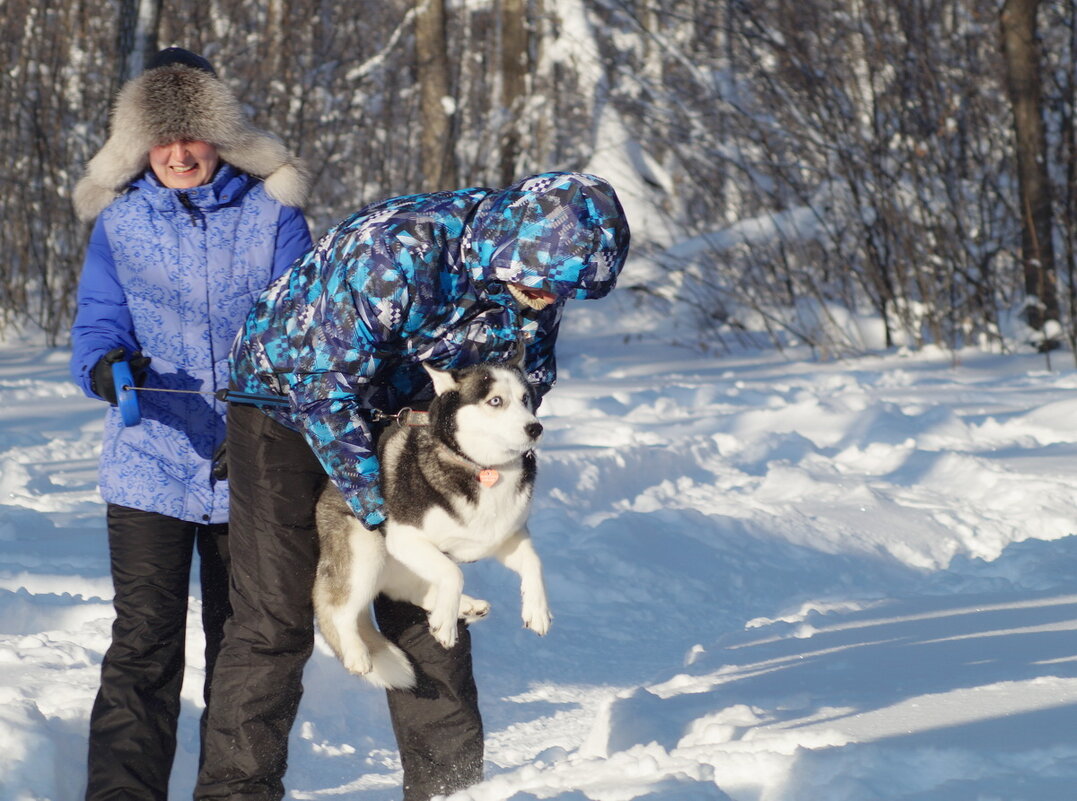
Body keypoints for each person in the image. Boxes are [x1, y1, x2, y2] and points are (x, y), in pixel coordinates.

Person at [194, 171, 630, 801]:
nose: (543, 299)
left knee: (433, 606)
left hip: (416, 418)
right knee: (276, 616)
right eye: (539, 283)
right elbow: (324, 385)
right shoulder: (401, 249)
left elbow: (525, 387)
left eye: (561, 291)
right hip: (287, 405)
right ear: (511, 244)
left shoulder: (535, 280)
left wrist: (488, 469)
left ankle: (448, 791)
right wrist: (376, 508)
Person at [69, 47, 313, 801]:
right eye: (162, 139)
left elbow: (306, 327)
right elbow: (96, 326)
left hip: (255, 460)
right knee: (143, 641)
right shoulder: (120, 223)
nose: (178, 153)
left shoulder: (274, 215)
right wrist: (109, 366)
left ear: (221, 137)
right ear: (141, 146)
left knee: (248, 644)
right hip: (150, 458)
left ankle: (233, 792)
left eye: (193, 136)